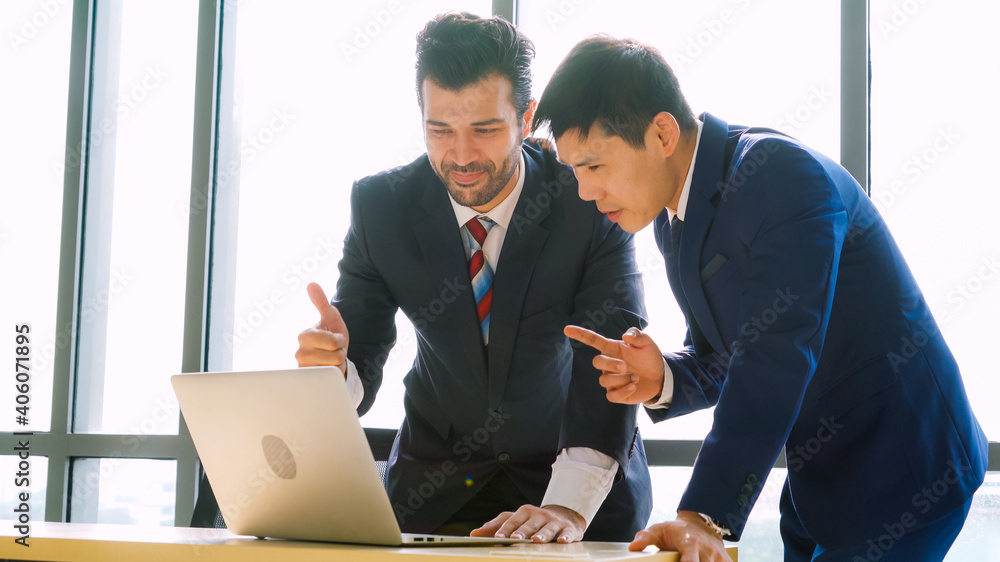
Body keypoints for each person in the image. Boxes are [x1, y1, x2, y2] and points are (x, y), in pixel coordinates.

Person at [530, 35, 988, 561]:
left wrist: (702, 515)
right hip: (822, 480)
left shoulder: (779, 176)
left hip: (905, 468)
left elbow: (777, 353)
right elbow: (733, 353)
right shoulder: (673, 217)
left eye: (593, 167)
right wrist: (667, 377)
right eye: (575, 173)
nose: (585, 192)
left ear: (661, 133)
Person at [295, 15, 652, 543]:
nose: (461, 157)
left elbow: (612, 361)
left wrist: (569, 506)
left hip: (572, 488)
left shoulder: (589, 200)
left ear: (526, 119)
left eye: (485, 130)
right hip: (433, 494)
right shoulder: (380, 208)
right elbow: (360, 357)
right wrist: (335, 370)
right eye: (440, 130)